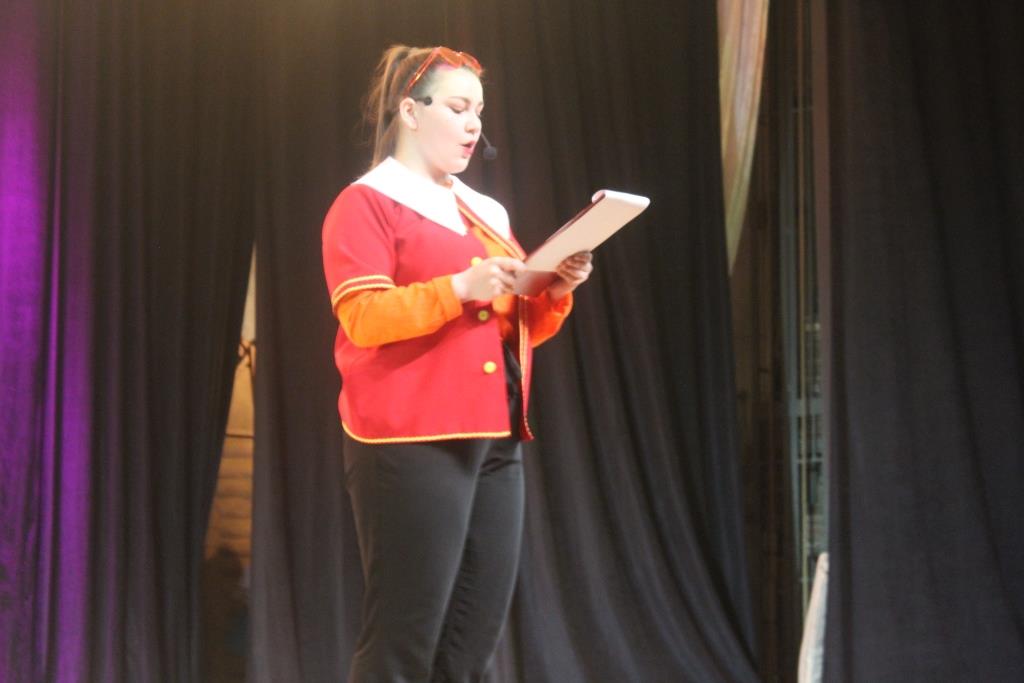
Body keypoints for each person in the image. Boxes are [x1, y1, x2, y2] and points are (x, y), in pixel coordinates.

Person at [321, 44, 593, 683]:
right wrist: (459, 288)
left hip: (494, 437)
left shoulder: (485, 212)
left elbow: (512, 330)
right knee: (402, 642)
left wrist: (553, 288)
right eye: (458, 107)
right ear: (410, 112)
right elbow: (364, 317)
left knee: (472, 642)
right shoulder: (366, 202)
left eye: (479, 111)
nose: (474, 125)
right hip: (411, 440)